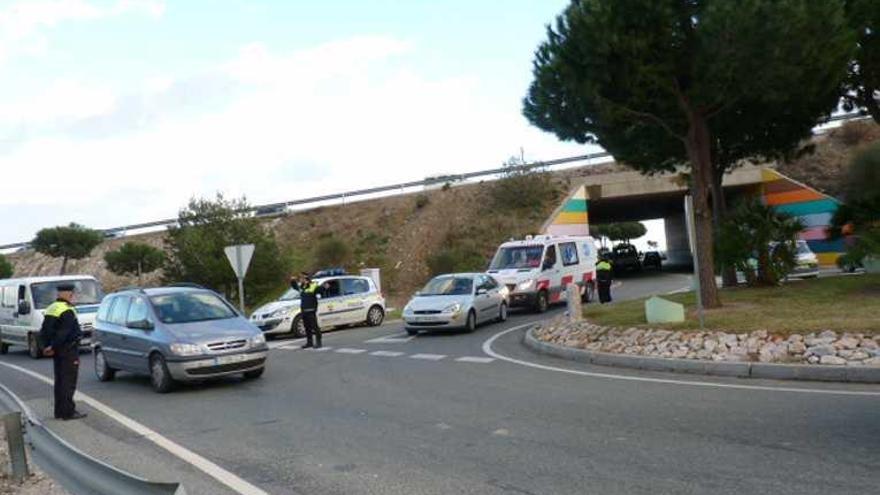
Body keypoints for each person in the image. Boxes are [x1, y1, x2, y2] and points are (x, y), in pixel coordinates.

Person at [40, 283, 86, 420]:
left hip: (58, 352)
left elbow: (44, 331)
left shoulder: (52, 308)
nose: (73, 296)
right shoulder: (67, 310)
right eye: (72, 293)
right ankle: (68, 412)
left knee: (60, 380)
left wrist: (46, 347)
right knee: (68, 381)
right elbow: (63, 333)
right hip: (68, 350)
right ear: (67, 294)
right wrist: (53, 346)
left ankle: (59, 411)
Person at [290, 272, 328, 349]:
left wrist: (325, 287)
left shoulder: (313, 286)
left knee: (314, 327)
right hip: (304, 310)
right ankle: (309, 342)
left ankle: (318, 342)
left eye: (301, 278)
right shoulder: (302, 287)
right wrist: (292, 281)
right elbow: (295, 287)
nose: (300, 280)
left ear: (306, 279)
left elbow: (321, 290)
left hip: (311, 310)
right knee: (307, 327)